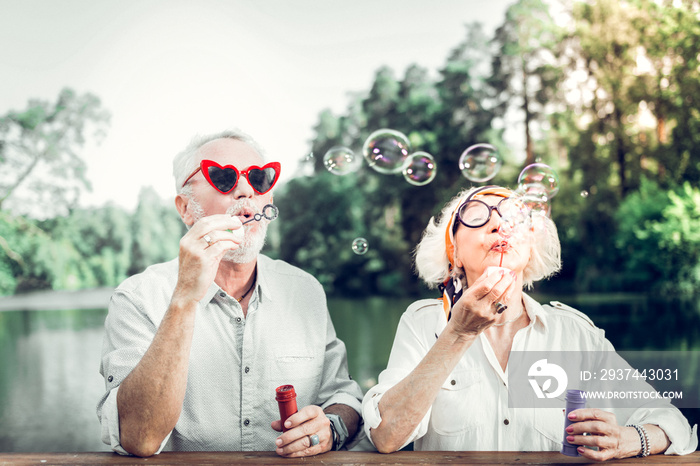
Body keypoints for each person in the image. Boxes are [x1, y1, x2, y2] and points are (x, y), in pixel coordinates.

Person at [361, 185, 698, 460]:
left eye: (513, 217)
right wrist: (457, 334)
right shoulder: (423, 324)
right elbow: (386, 435)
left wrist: (630, 439)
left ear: (532, 247)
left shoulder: (573, 333)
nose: (498, 224)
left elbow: (672, 423)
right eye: (476, 217)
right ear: (455, 254)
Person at [97, 129, 363, 457]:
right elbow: (139, 438)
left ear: (268, 201)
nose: (245, 190)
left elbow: (345, 397)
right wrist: (184, 300)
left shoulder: (304, 289)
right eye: (223, 178)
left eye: (259, 179)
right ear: (185, 208)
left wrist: (331, 426)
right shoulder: (138, 298)